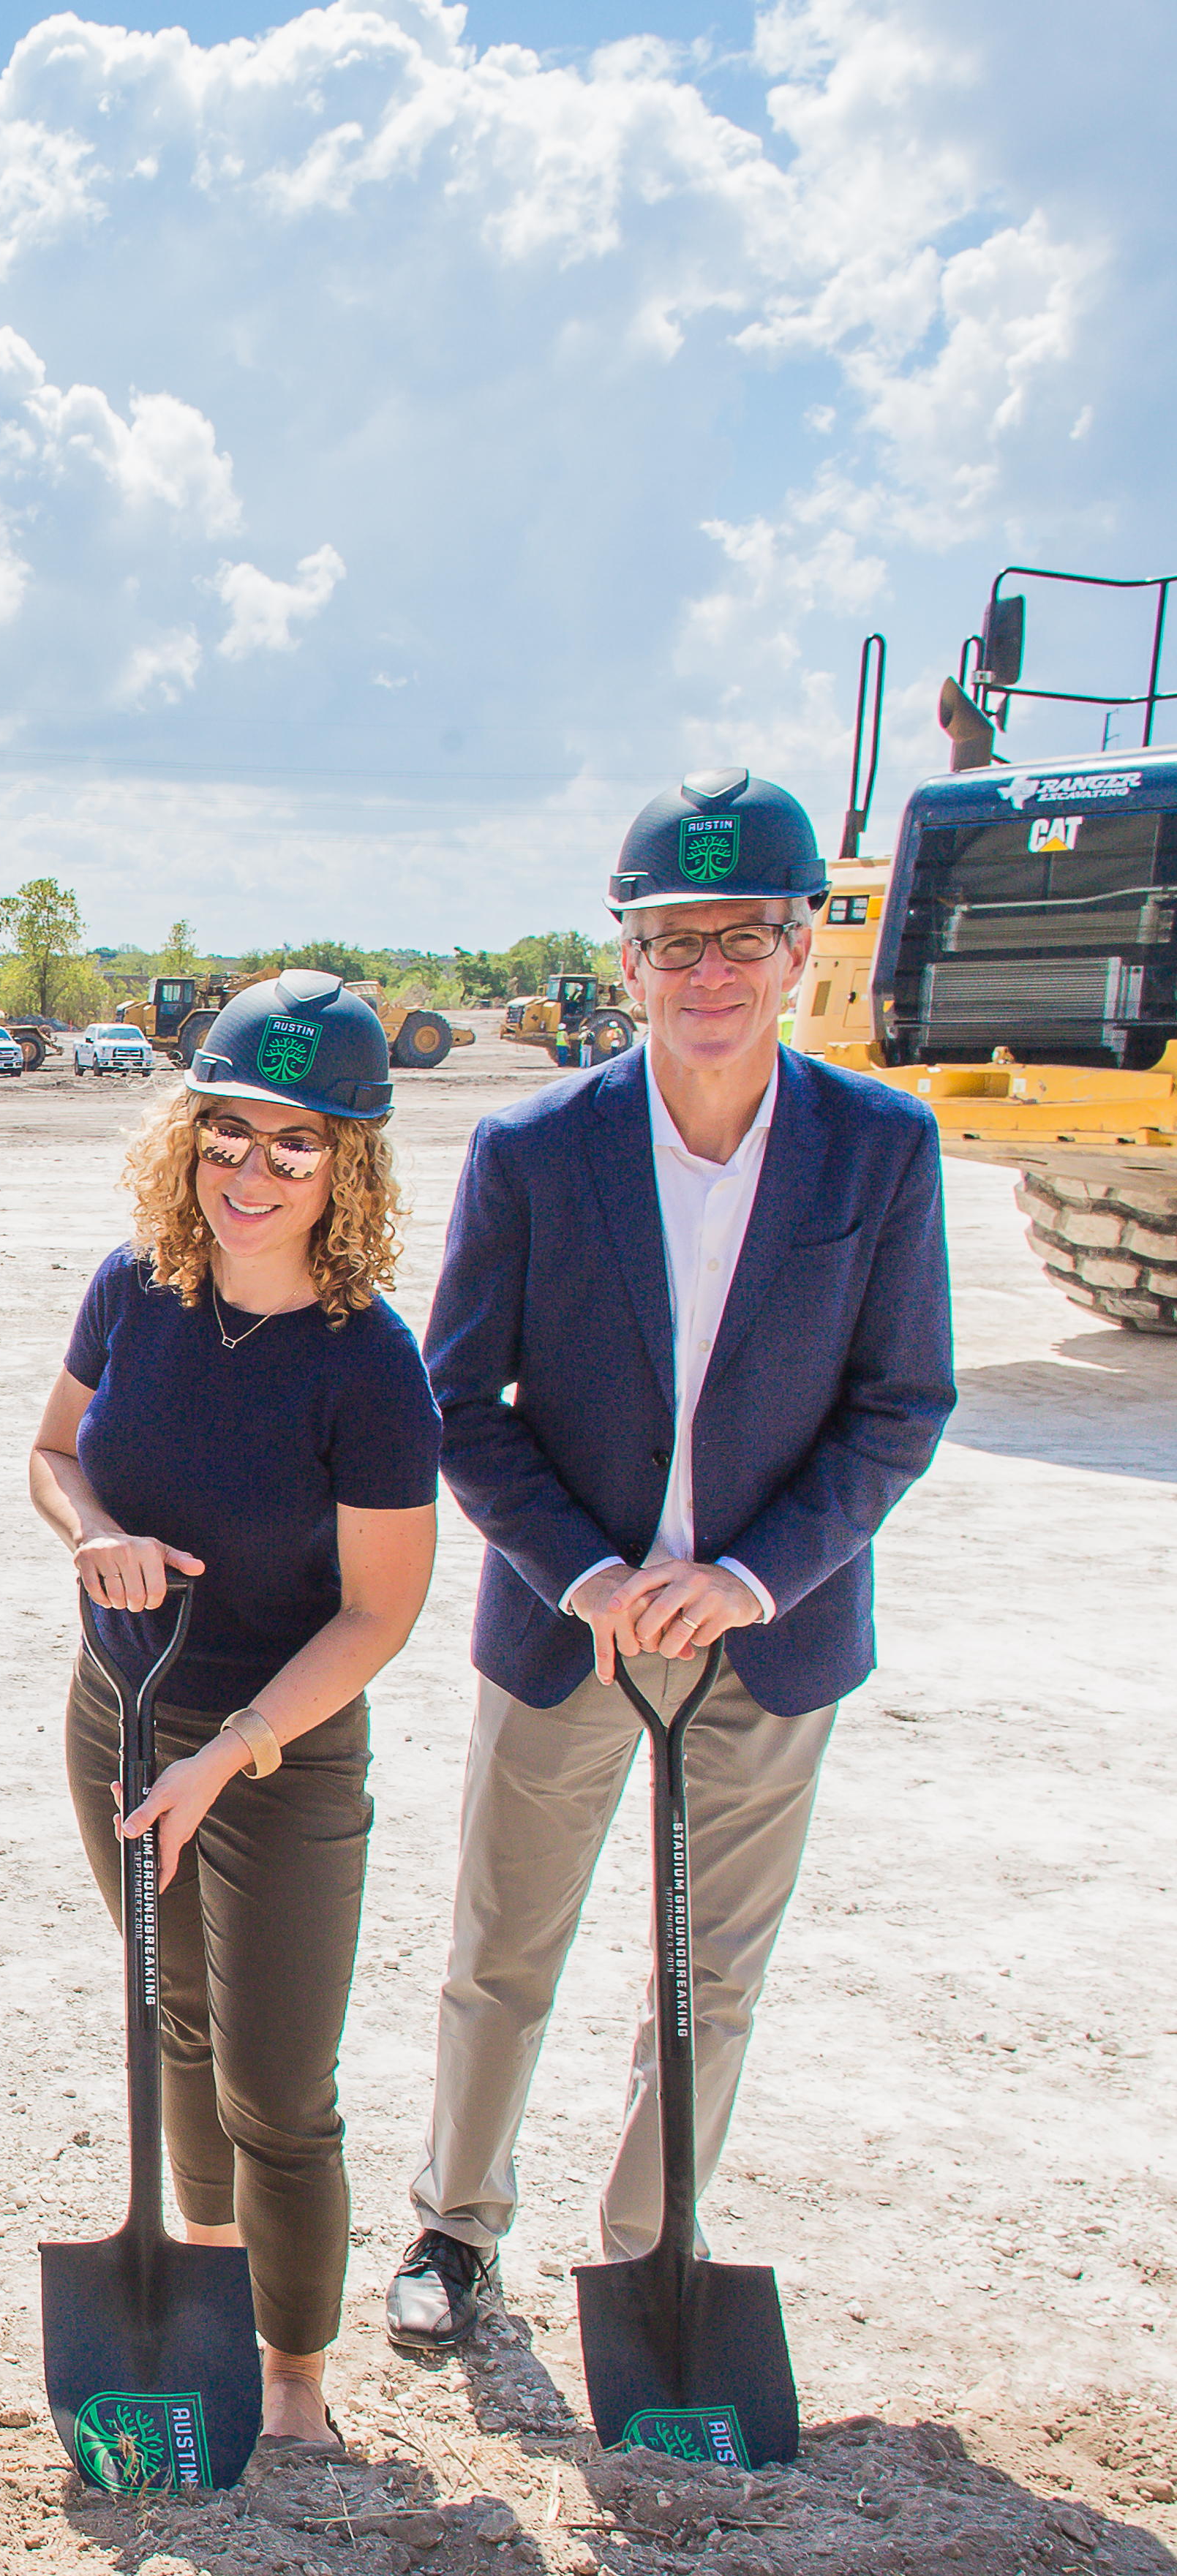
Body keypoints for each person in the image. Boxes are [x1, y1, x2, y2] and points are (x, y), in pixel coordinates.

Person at [389, 770, 955, 2350]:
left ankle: (651, 2255)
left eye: (745, 939)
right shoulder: (533, 1152)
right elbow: (456, 1402)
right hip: (571, 1633)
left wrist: (754, 1577)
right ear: (623, 961)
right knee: (503, 1953)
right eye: (673, 941)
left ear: (801, 949)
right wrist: (586, 1572)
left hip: (772, 1641)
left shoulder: (881, 1153)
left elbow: (904, 1402)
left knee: (710, 1977)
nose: (710, 975)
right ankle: (454, 2227)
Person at [27, 973, 439, 2447]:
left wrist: (232, 1754)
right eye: (226, 1136)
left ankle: (293, 2378)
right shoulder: (135, 1284)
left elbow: (380, 1611)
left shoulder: (371, 1363)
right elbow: (57, 1453)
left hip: (282, 1756)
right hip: (121, 1722)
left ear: (350, 1165)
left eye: (294, 1144)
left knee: (276, 2082)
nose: (250, 1174)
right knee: (176, 2022)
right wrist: (88, 1532)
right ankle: (204, 2283)